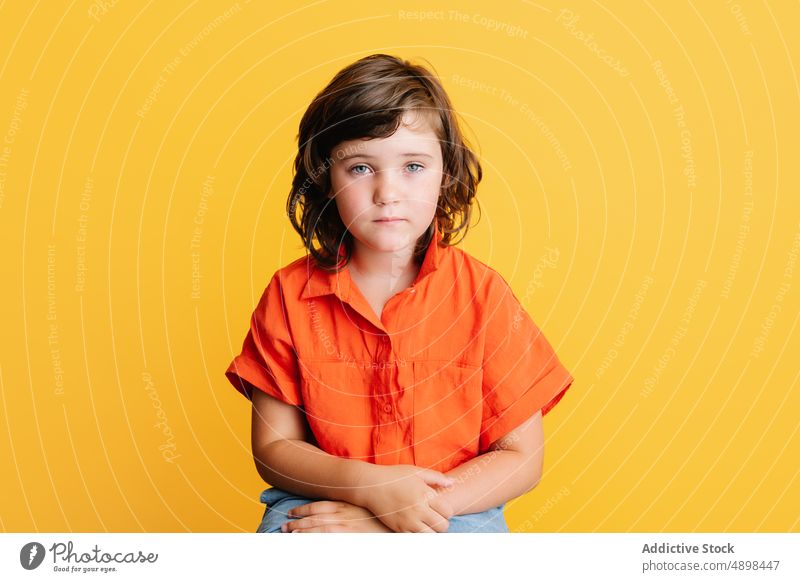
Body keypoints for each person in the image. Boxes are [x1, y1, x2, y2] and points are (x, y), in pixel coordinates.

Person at [225, 53, 574, 533]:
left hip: (453, 506)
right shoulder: (288, 295)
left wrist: (402, 518)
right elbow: (274, 449)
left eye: (413, 165)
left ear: (445, 171)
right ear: (325, 177)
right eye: (361, 168)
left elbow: (520, 457)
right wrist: (370, 490)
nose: (387, 192)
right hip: (324, 498)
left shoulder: (483, 296)